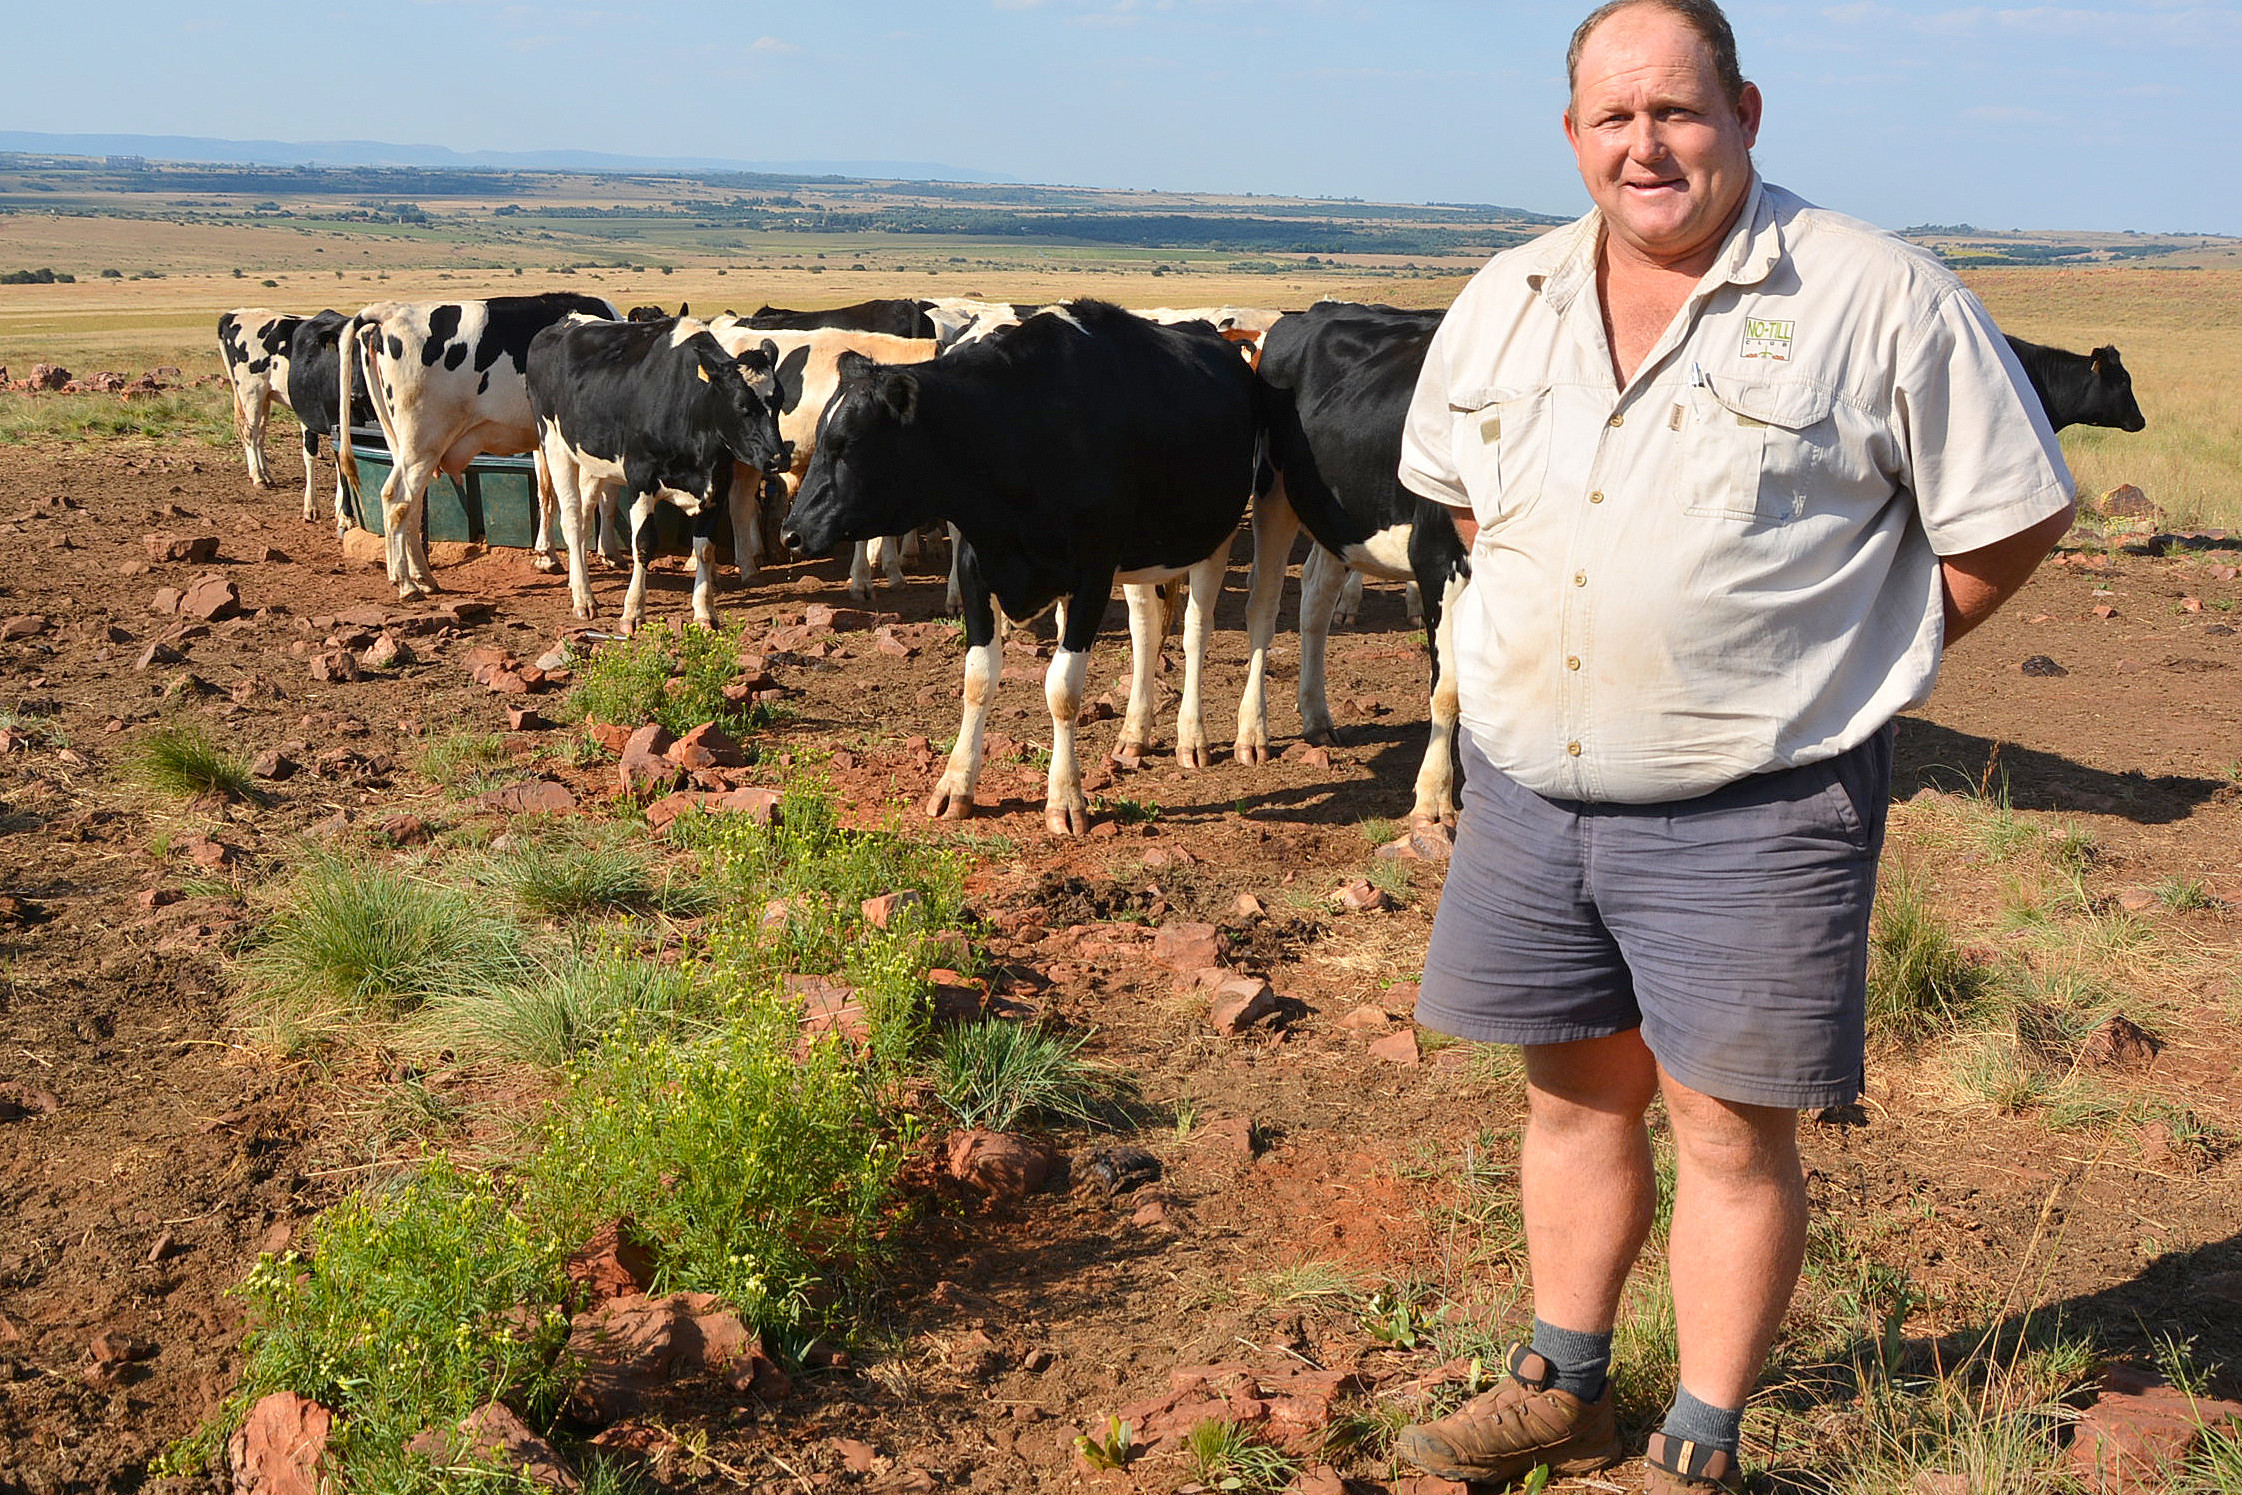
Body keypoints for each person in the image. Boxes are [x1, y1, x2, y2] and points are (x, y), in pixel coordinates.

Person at [1390, 1, 2076, 1489]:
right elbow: (1462, 502)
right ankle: (1561, 1383)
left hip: (1756, 803)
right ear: (1571, 136)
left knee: (1725, 1126)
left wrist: (1862, 660)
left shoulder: (1873, 293)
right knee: (1571, 1094)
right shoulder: (1504, 297)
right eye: (1613, 118)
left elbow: (2013, 513)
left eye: (1677, 111)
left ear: (1744, 112)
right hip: (1528, 788)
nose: (1647, 144)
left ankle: (1694, 1441)